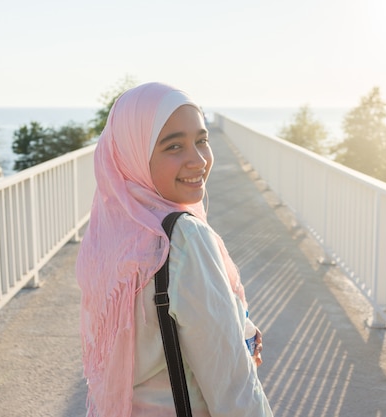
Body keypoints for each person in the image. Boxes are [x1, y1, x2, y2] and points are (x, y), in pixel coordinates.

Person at [76, 82, 273, 417]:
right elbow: (233, 388)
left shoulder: (109, 235)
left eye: (201, 141)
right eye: (173, 147)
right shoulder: (182, 238)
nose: (198, 161)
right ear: (134, 154)